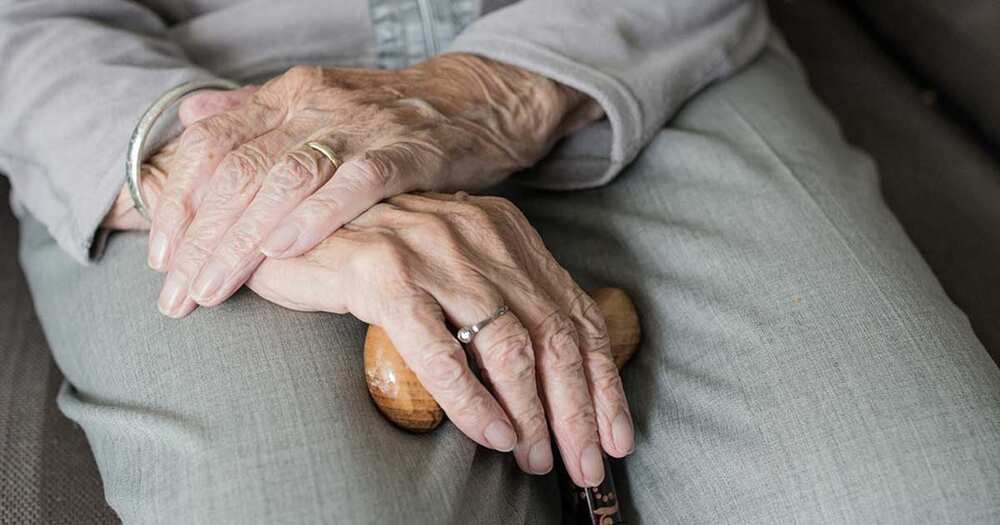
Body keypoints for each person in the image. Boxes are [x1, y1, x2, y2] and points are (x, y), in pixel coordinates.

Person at [2, 1, 998, 523]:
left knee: (925, 496)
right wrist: (227, 173)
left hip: (632, 49)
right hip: (180, 95)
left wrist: (489, 92)